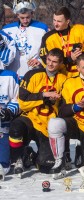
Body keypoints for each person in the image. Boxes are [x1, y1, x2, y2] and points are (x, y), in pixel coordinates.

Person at [9, 48, 67, 177]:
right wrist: (44, 96)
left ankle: (31, 155)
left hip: (47, 124)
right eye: (49, 60)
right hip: (30, 118)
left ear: (60, 63)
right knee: (16, 128)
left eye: (55, 62)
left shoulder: (64, 79)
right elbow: (23, 101)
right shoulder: (33, 74)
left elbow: (63, 104)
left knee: (46, 166)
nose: (50, 64)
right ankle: (17, 157)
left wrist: (53, 101)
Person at [40, 6, 84, 78]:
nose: (55, 24)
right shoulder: (48, 37)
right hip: (61, 77)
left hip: (82, 77)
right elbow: (46, 62)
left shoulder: (81, 30)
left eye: (59, 21)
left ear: (67, 21)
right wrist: (69, 59)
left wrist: (79, 54)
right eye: (54, 20)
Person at [2, 0, 48, 79]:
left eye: (28, 17)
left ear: (32, 14)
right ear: (17, 15)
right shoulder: (6, 30)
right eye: (22, 18)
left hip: (34, 73)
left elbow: (49, 49)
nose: (25, 20)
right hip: (12, 74)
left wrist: (40, 61)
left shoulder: (42, 28)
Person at [0, 30, 19, 180]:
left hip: (3, 126)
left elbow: (17, 100)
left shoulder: (10, 77)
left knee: (3, 165)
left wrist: (8, 112)